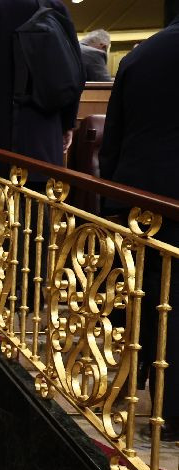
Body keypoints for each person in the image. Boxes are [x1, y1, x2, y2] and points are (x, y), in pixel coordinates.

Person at [99, 15, 179, 441]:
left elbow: (113, 136)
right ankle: (173, 412)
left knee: (141, 298)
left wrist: (112, 196)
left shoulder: (140, 54)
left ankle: (129, 391)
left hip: (139, 196)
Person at [0, 0, 80, 177]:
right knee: (41, 193)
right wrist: (67, 123)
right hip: (44, 136)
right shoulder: (56, 9)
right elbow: (73, 74)